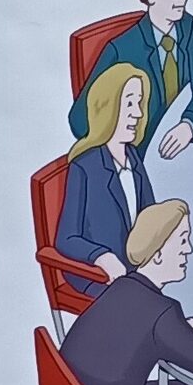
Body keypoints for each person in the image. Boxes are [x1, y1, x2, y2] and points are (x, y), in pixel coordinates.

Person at [57, 201, 193, 385]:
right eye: (183, 240)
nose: (189, 249)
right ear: (158, 253)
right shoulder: (163, 312)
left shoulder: (120, 286)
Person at [70, 0, 193, 160]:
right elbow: (79, 120)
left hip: (183, 154)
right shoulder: (121, 49)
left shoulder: (188, 27)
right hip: (139, 159)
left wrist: (189, 126)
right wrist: (120, 146)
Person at [57, 63, 156, 295]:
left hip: (137, 273)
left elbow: (149, 213)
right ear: (108, 106)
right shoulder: (84, 167)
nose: (138, 113)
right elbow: (66, 239)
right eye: (129, 103)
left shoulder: (133, 157)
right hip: (98, 277)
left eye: (139, 103)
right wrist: (101, 256)